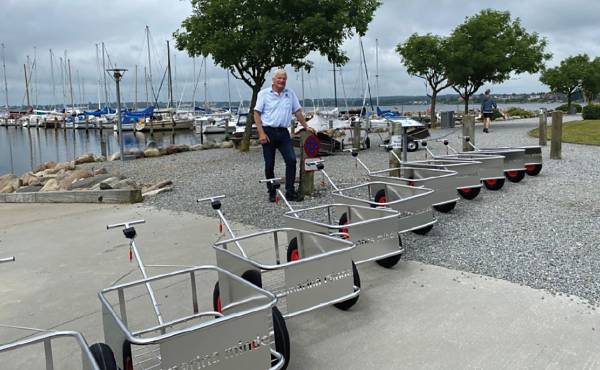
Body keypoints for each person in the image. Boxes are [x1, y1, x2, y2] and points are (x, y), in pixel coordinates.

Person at [254, 69, 315, 203]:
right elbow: (256, 114)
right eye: (279, 78)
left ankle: (290, 191)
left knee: (291, 160)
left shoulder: (290, 93)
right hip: (268, 132)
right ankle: (271, 191)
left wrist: (305, 126)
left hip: (283, 133)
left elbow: (298, 112)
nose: (282, 81)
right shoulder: (263, 94)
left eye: (284, 79)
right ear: (274, 79)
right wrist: (261, 133)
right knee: (269, 164)